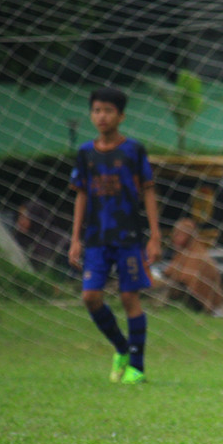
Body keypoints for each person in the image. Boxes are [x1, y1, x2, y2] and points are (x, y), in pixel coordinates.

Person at [69, 87, 162, 385]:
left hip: (128, 237)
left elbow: (148, 190)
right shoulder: (86, 153)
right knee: (90, 296)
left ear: (121, 116)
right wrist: (75, 238)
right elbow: (81, 194)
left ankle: (137, 367)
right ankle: (122, 348)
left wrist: (155, 235)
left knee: (129, 297)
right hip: (96, 238)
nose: (102, 116)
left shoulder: (133, 150)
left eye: (108, 111)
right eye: (97, 110)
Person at [158, 217, 223, 314]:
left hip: (199, 301)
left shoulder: (197, 254)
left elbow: (187, 279)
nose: (175, 238)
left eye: (179, 234)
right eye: (175, 234)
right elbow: (169, 272)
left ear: (189, 236)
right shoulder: (183, 252)